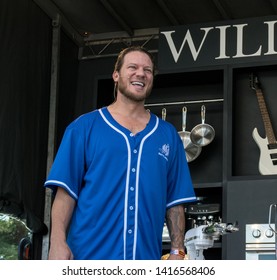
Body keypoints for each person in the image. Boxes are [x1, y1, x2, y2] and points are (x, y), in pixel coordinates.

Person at [44, 46, 196, 260]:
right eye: (132, 67)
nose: (141, 74)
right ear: (116, 75)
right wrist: (57, 243)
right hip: (88, 259)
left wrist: (177, 250)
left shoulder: (168, 135)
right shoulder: (83, 128)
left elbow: (175, 201)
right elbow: (66, 194)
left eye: (148, 70)